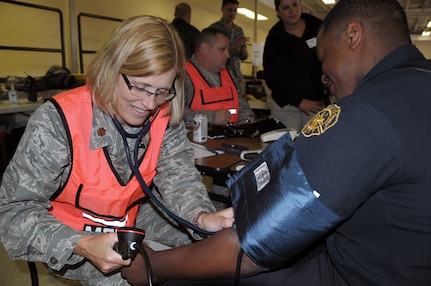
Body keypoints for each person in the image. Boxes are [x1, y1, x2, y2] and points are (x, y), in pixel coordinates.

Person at [121, 0, 431, 285]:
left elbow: (250, 245)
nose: (324, 78)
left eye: (324, 60)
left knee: (198, 275)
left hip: (357, 274)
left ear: (352, 36)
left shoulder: (364, 114)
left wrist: (155, 266)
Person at [0, 15, 234, 286]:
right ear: (112, 68)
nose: (149, 103)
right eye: (141, 87)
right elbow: (12, 212)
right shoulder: (58, 121)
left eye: (161, 91)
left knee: (214, 245)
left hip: (129, 217)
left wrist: (201, 217)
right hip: (69, 231)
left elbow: (178, 178)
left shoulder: (163, 113)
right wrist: (83, 244)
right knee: (127, 279)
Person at [263, 0, 326, 132]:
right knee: (286, 146)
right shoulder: (275, 37)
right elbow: (271, 77)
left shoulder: (318, 26)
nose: (292, 10)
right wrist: (298, 101)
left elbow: (332, 56)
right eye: (286, 7)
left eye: (295, 5)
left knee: (315, 145)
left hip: (315, 103)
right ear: (278, 12)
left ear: (300, 5)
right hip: (285, 106)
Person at [184, 28, 254, 126]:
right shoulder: (183, 76)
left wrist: (248, 125)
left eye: (227, 50)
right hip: (197, 140)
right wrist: (211, 117)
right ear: (205, 49)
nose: (228, 55)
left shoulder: (229, 74)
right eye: (222, 49)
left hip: (233, 138)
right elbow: (175, 115)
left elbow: (241, 105)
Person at [209, 0, 248, 85]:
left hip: (236, 75)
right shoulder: (214, 29)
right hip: (218, 76)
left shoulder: (238, 30)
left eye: (235, 11)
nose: (232, 13)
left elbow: (244, 57)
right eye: (229, 10)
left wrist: (243, 51)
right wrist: (234, 46)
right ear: (222, 9)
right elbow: (213, 55)